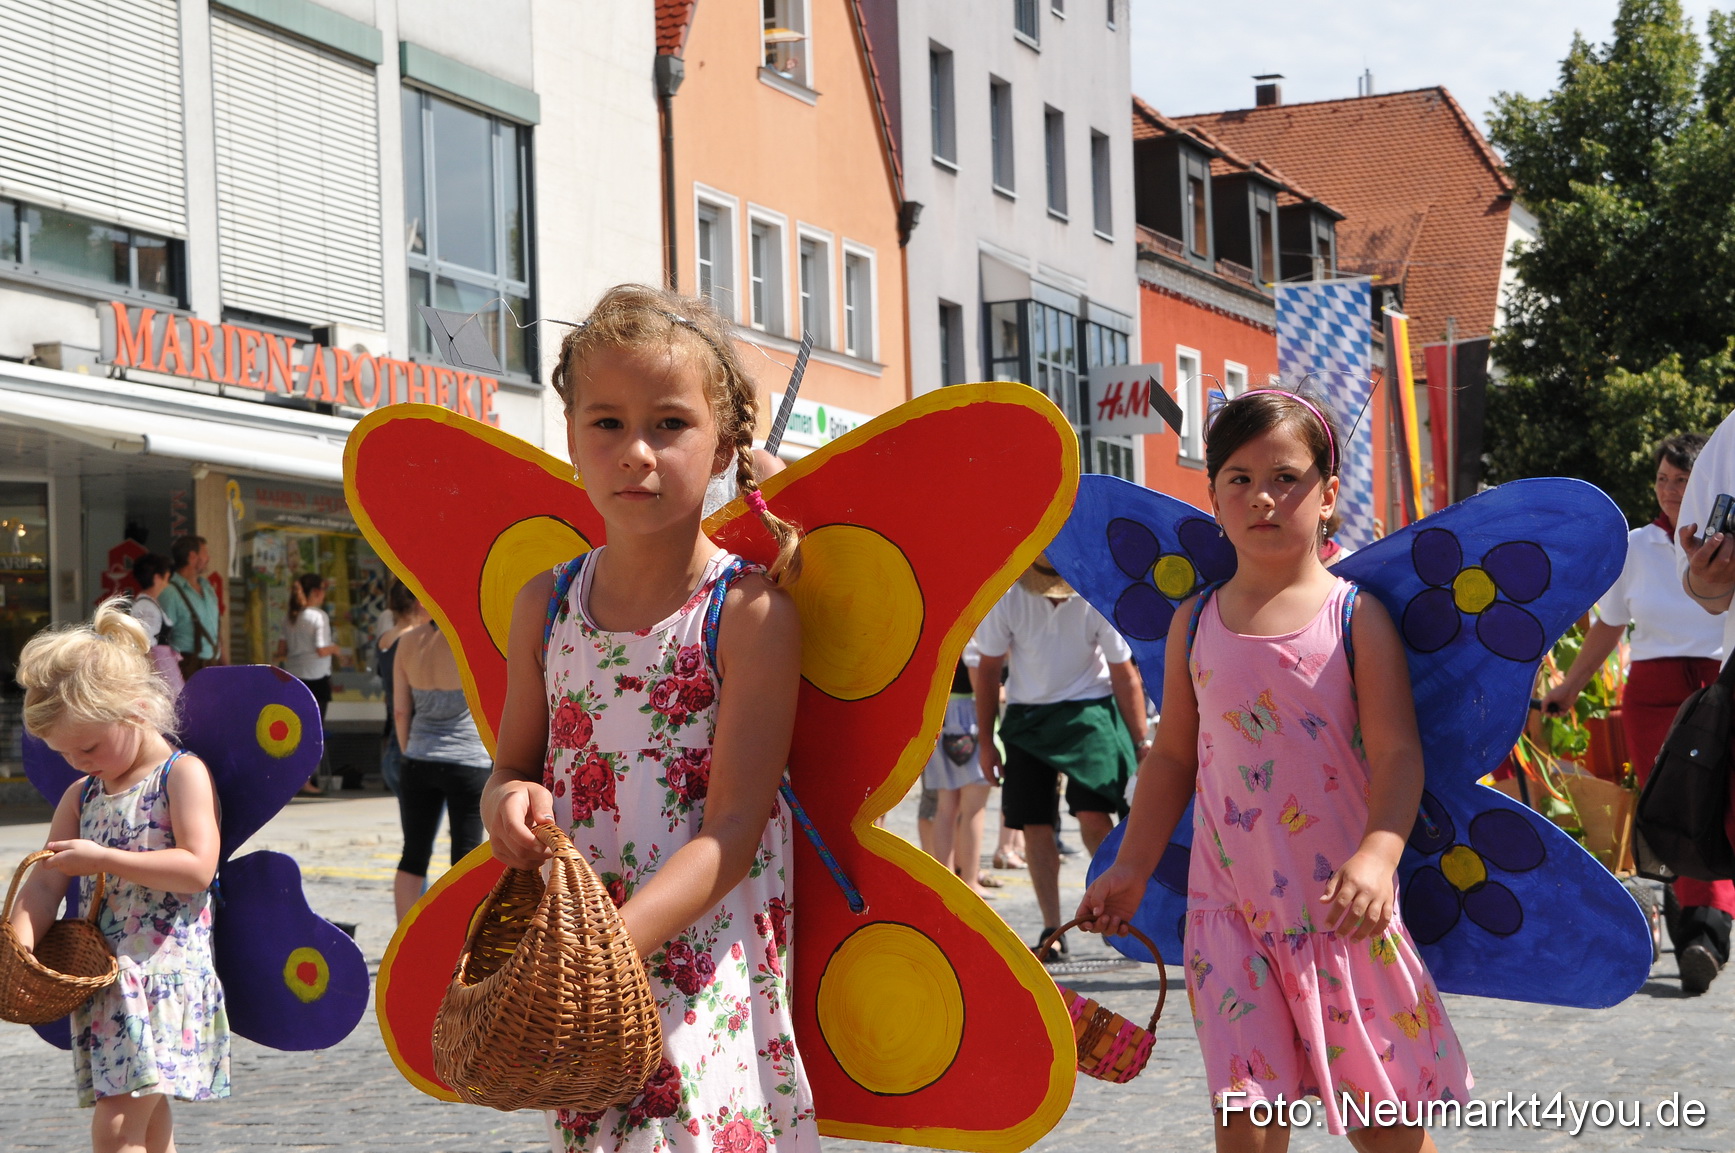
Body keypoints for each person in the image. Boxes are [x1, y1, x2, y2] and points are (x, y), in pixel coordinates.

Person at [1079, 389, 1470, 1150]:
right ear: (1213, 497)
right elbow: (1173, 757)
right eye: (1239, 478)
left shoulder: (1356, 617)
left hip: (1341, 914)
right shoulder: (1194, 621)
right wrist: (1132, 866)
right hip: (1228, 917)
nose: (1262, 496)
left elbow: (1398, 753)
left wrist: (1378, 855)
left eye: (1285, 477)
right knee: (1246, 1122)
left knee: (1384, 1125)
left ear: (1327, 495)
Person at [480, 285, 814, 1152]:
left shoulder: (748, 613)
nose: (635, 451)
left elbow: (732, 829)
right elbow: (513, 761)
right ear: (570, 438)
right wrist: (506, 801)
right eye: (607, 423)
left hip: (700, 957)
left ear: (724, 444)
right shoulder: (544, 604)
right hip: (580, 973)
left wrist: (608, 946)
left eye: (669, 424)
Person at [9, 600, 229, 1151]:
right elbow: (45, 882)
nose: (79, 762)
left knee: (116, 1129)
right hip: (108, 984)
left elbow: (197, 868)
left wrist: (104, 858)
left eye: (87, 746)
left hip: (162, 980)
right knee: (147, 1128)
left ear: (136, 710)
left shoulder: (180, 775)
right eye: (64, 753)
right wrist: (18, 946)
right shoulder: (81, 795)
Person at [974, 554, 1149, 955]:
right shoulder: (1008, 596)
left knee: (1093, 815)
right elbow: (987, 669)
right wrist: (986, 741)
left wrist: (1142, 744)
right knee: (1034, 823)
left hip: (1089, 712)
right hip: (1027, 716)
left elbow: (1124, 673)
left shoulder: (1093, 594)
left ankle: (1116, 912)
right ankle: (1052, 929)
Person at [1667, 422, 1735, 995]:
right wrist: (1707, 577)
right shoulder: (1732, 438)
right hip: (1696, 683)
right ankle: (1703, 934)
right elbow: (1707, 593)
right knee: (1689, 813)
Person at [392, 618, 492, 920]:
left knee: (413, 855)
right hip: (467, 760)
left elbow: (400, 710)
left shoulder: (407, 641)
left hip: (418, 758)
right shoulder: (468, 638)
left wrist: (409, 751)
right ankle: (462, 937)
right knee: (466, 857)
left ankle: (404, 936)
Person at [918, 658, 999, 896]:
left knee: (946, 807)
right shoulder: (973, 642)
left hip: (940, 714)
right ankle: (969, 880)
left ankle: (945, 878)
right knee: (973, 807)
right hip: (968, 716)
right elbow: (980, 685)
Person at [282, 573, 348, 796]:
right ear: (317, 592)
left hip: (294, 677)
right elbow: (321, 649)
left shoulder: (290, 617)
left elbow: (281, 649)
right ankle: (307, 780)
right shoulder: (318, 616)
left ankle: (291, 779)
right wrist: (336, 649)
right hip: (317, 678)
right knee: (312, 733)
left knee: (294, 732)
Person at [376, 579, 430, 798]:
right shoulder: (415, 640)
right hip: (415, 742)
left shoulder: (383, 639)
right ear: (419, 603)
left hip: (393, 745)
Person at [164, 535, 221, 681]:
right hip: (185, 667)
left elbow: (217, 632)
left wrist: (227, 666)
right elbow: (163, 639)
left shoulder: (207, 588)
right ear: (192, 556)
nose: (208, 558)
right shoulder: (170, 592)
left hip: (213, 666)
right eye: (205, 553)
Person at [127, 553, 183, 696]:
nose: (167, 584)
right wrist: (152, 679)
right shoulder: (146, 606)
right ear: (157, 578)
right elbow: (145, 645)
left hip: (162, 663)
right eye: (166, 578)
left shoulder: (148, 603)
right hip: (158, 664)